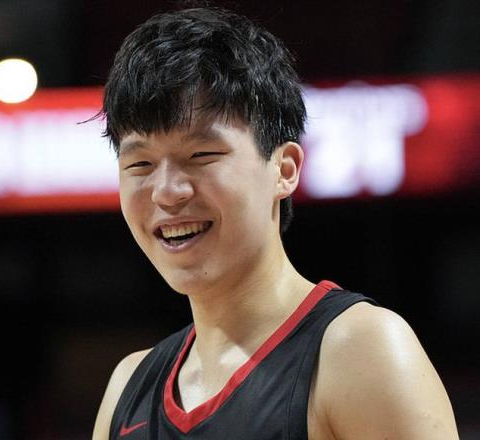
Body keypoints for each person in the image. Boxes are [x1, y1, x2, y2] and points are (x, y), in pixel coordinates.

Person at [92, 6, 459, 440]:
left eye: (201, 155)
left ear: (285, 169)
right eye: (140, 164)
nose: (167, 192)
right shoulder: (128, 387)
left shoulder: (359, 351)